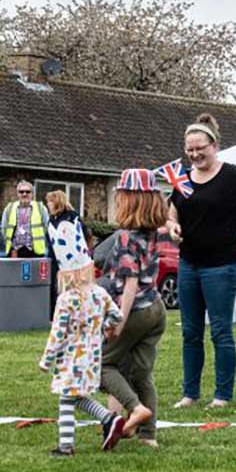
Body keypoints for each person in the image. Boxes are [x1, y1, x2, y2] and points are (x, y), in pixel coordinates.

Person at [167, 113, 236, 409]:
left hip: (222, 266)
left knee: (220, 331)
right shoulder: (184, 178)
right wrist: (173, 225)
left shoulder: (234, 177)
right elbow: (173, 211)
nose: (194, 154)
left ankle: (222, 395)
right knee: (190, 333)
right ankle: (190, 394)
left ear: (213, 145)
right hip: (189, 264)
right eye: (189, 150)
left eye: (199, 148)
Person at [39, 220, 127, 456]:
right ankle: (109, 419)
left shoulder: (66, 300)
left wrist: (47, 360)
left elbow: (58, 333)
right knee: (77, 397)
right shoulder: (99, 293)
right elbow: (117, 316)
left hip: (70, 359)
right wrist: (100, 329)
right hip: (92, 357)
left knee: (66, 400)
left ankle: (66, 445)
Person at [100, 168, 165, 448]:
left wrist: (120, 319)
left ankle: (135, 408)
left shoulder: (125, 237)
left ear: (130, 200)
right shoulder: (152, 232)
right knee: (142, 373)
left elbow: (130, 282)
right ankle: (148, 435)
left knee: (102, 364)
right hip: (157, 309)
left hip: (135, 310)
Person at [2, 180, 48, 259]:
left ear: (32, 194)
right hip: (15, 252)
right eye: (21, 192)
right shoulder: (9, 208)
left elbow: (47, 228)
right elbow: (4, 229)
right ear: (17, 194)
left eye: (27, 192)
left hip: (35, 252)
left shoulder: (40, 208)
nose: (24, 194)